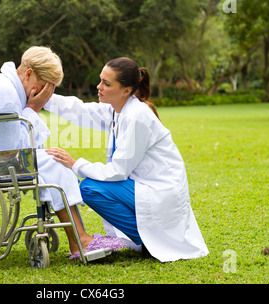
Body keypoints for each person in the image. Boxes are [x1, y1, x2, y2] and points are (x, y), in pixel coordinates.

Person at [0, 46, 124, 258]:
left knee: (52, 158)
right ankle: (80, 240)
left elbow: (17, 143)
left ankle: (79, 239)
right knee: (55, 161)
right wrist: (34, 110)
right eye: (41, 87)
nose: (41, 95)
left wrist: (32, 113)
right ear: (29, 74)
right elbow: (12, 149)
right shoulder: (6, 93)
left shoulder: (10, 87)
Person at [45, 57, 209, 262]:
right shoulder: (116, 109)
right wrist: (44, 97)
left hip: (160, 189)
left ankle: (149, 239)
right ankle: (147, 238)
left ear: (126, 90)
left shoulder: (136, 116)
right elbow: (80, 111)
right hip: (142, 186)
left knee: (89, 188)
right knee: (90, 187)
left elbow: (118, 171)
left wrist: (75, 164)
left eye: (107, 83)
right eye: (100, 80)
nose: (99, 87)